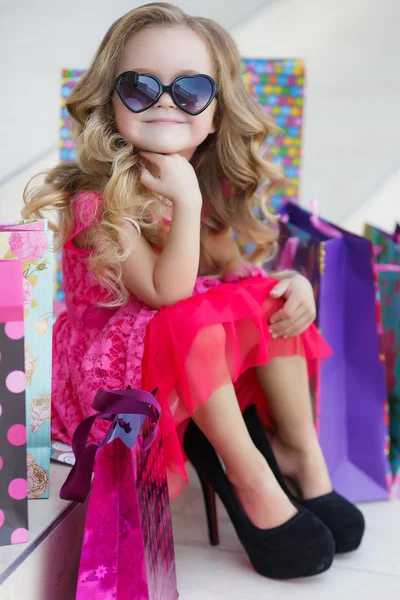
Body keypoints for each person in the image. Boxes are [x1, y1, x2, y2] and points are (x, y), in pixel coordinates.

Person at [23, 2, 364, 580]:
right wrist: (185, 202)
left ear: (214, 113)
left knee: (267, 295)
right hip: (106, 370)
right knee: (191, 318)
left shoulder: (204, 182)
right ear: (109, 100)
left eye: (189, 90)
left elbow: (233, 271)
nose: (163, 102)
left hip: (176, 344)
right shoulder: (95, 199)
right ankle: (250, 477)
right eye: (140, 86)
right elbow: (162, 292)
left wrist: (293, 282)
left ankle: (303, 459)